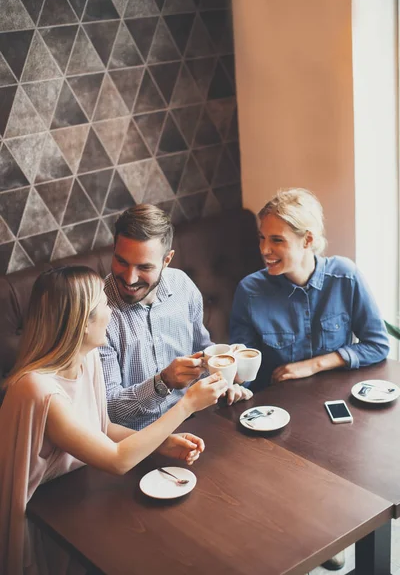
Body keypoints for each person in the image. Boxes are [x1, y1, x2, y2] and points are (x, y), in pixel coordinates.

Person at [0, 266, 228, 575]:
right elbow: (117, 461)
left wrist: (159, 444)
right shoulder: (39, 390)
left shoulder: (86, 357)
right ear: (82, 324)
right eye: (103, 305)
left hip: (76, 494)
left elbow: (103, 429)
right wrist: (186, 405)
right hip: (42, 515)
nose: (111, 310)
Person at [230, 188, 389, 571]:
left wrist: (314, 365)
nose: (265, 249)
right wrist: (233, 382)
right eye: (262, 238)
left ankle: (338, 529)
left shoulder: (345, 276)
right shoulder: (250, 291)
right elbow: (245, 366)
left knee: (362, 475)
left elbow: (377, 344)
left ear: (309, 241)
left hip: (339, 410)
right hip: (279, 414)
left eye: (277, 240)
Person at [100, 204, 252, 431]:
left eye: (144, 267)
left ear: (167, 260)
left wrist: (223, 384)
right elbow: (110, 409)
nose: (130, 279)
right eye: (122, 262)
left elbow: (203, 352)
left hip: (198, 421)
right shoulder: (96, 310)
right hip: (136, 440)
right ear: (114, 249)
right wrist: (163, 383)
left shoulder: (182, 285)